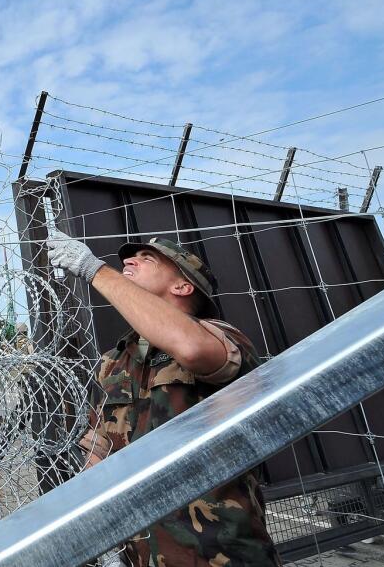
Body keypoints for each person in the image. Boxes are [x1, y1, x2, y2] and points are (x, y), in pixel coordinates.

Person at [47, 231, 281, 566]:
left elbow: (190, 347)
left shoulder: (220, 336)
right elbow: (101, 450)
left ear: (183, 287)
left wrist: (94, 269)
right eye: (131, 258)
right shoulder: (118, 360)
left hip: (217, 555)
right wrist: (103, 538)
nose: (129, 261)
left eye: (147, 259)